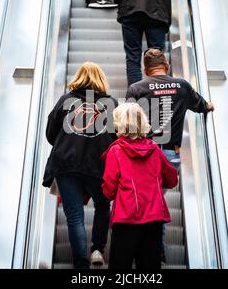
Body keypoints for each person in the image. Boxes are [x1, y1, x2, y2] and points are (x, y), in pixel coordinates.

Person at [126, 48, 214, 262]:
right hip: (168, 156)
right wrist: (209, 106)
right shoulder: (181, 85)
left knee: (139, 200)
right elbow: (202, 105)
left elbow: (126, 122)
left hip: (141, 154)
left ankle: (140, 248)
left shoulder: (136, 88)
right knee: (156, 202)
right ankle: (156, 249)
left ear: (146, 70)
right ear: (165, 65)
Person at [43, 62, 118, 269]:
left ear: (79, 77)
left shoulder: (66, 100)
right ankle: (97, 250)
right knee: (102, 206)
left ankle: (81, 266)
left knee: (74, 215)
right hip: (99, 165)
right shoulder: (110, 103)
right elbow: (117, 136)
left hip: (66, 164)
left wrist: (67, 143)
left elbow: (51, 133)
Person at [102, 103, 178, 270]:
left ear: (118, 123)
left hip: (126, 217)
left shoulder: (115, 151)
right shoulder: (155, 150)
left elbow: (109, 189)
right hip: (154, 217)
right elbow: (172, 180)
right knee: (150, 266)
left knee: (120, 266)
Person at [108, 0, 195, 86]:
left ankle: (136, 97)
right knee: (156, 59)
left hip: (131, 9)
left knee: (133, 58)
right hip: (157, 12)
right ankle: (156, 94)